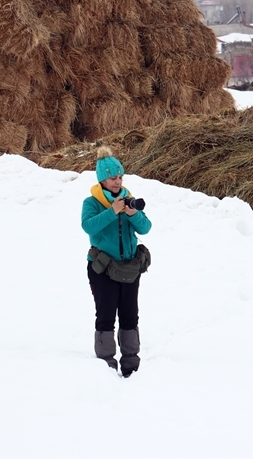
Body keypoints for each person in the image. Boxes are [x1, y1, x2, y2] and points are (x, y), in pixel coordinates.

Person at [82, 146, 152, 377]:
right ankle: (105, 364)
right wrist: (112, 211)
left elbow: (146, 228)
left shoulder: (129, 200)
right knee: (106, 314)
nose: (118, 181)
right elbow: (88, 226)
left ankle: (131, 363)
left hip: (129, 268)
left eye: (120, 177)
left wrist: (133, 214)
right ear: (102, 179)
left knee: (130, 314)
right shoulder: (91, 203)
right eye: (113, 177)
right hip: (102, 268)